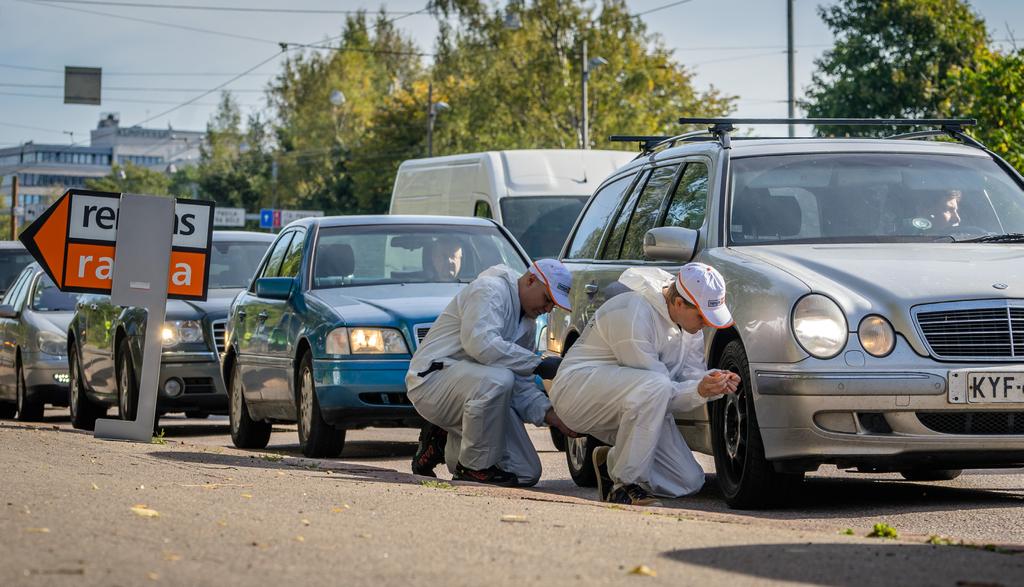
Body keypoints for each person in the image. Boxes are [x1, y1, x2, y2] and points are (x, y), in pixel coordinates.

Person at [549, 263, 740, 506]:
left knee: (688, 480)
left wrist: (712, 382)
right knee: (656, 386)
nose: (707, 323)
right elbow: (660, 391)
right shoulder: (635, 312)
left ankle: (613, 462)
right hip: (576, 393)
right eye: (702, 315)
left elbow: (686, 380)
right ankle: (625, 484)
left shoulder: (690, 326)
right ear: (679, 303)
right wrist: (700, 391)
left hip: (638, 396)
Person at [406, 259, 577, 486]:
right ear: (530, 280)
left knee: (526, 472)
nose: (547, 309)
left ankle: (443, 440)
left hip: (476, 390)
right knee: (499, 380)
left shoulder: (528, 324)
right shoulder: (489, 289)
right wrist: (536, 364)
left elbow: (521, 386)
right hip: (432, 383)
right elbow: (480, 345)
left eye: (553, 306)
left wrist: (553, 416)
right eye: (547, 299)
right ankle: (472, 468)